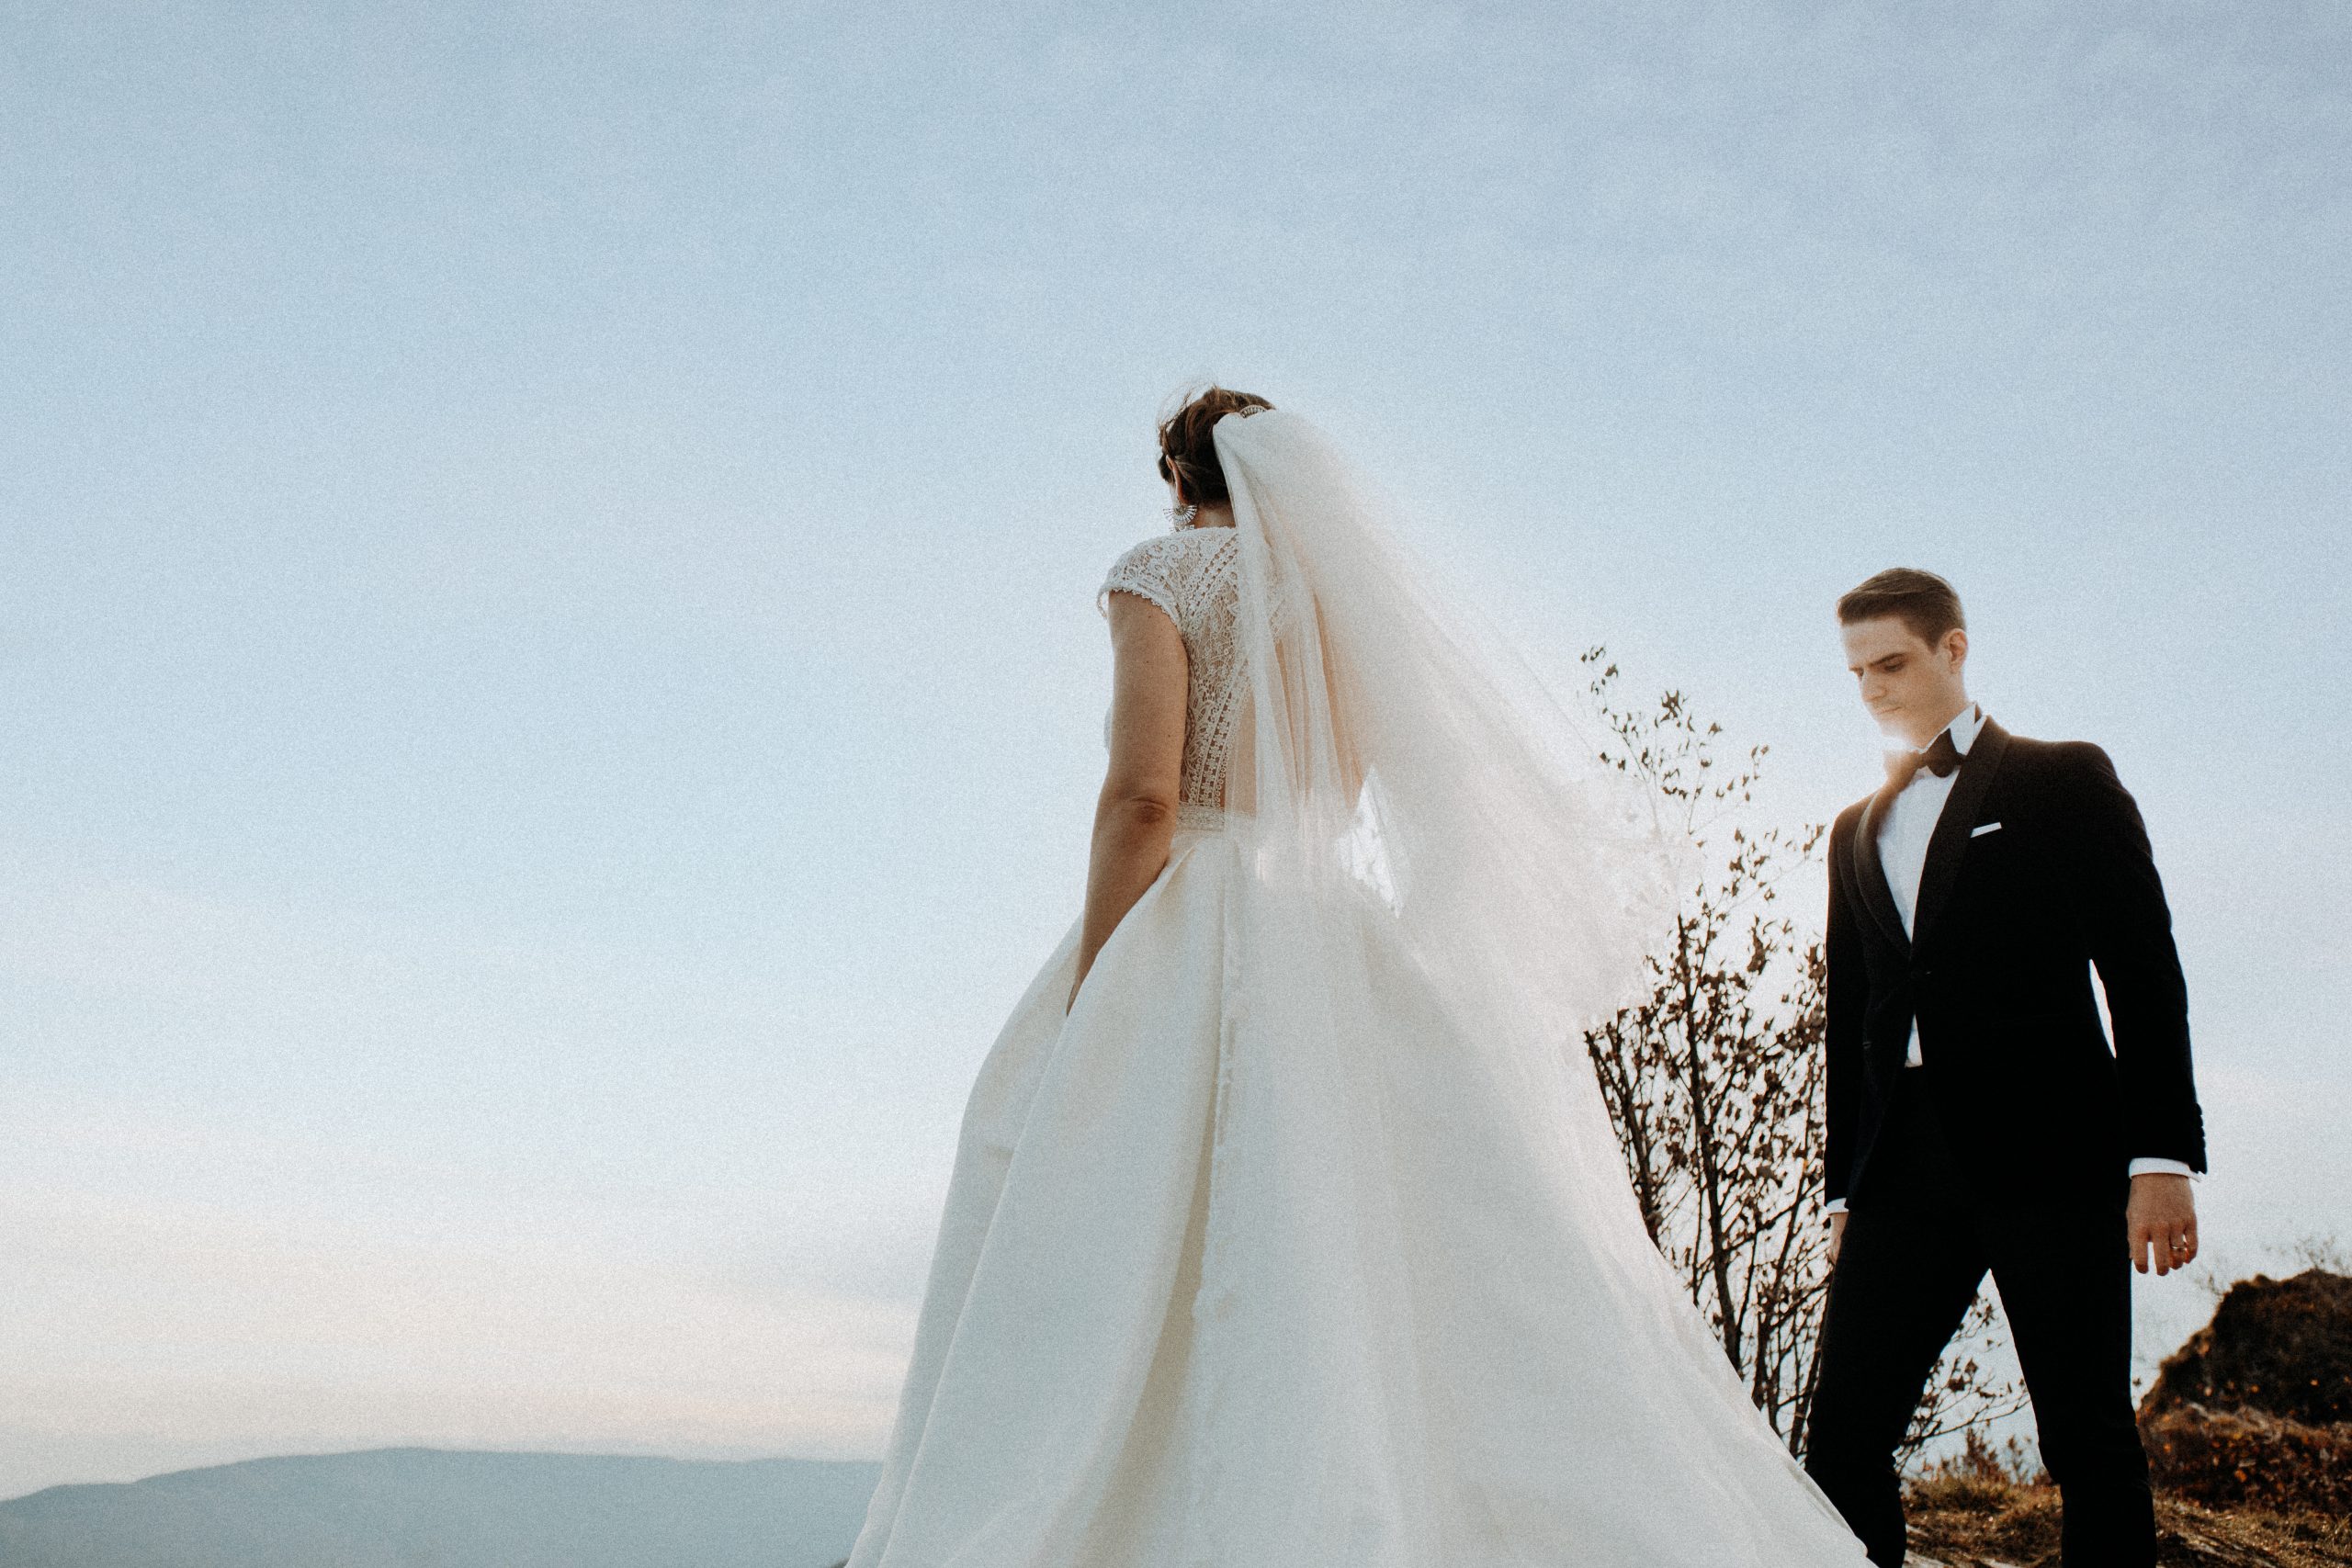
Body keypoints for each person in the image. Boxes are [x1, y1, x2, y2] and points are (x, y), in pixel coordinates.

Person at [843, 388, 1874, 1566]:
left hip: (1186, 911)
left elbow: (1142, 796)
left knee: (1089, 1213)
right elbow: (1348, 796)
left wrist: (1099, 975)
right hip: (1323, 935)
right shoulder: (1346, 608)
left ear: (1177, 480)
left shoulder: (1160, 575)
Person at [1804, 569, 2208, 1567]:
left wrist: (2158, 1155)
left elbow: (2143, 971)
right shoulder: (1851, 830)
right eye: (1856, 673)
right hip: (1899, 1167)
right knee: (1840, 1438)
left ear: (1954, 649)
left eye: (1891, 663)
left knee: (2084, 1435)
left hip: (2054, 1151)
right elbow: (1853, 1022)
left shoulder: (2062, 778)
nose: (1873, 690)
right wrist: (1841, 1191)